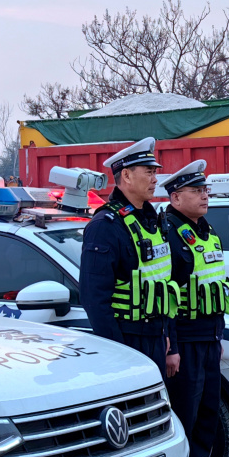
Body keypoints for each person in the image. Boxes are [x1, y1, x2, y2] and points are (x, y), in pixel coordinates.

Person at [160, 160, 229, 457]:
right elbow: (166, 296)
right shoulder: (168, 233)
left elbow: (216, 287)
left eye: (205, 190)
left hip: (208, 336)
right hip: (186, 339)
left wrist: (218, 335)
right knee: (185, 418)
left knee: (207, 415)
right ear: (175, 197)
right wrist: (171, 345)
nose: (205, 196)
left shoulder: (207, 231)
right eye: (196, 191)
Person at [80, 137, 178, 378]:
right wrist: (117, 352)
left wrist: (167, 337)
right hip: (127, 340)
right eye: (149, 172)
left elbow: (162, 286)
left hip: (156, 337)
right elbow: (94, 299)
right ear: (126, 176)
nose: (156, 179)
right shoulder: (106, 226)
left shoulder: (152, 221)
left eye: (155, 173)